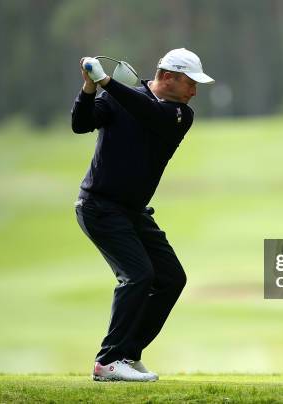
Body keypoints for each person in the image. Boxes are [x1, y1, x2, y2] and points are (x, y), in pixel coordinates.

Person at [71, 48, 214, 382]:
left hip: (133, 211)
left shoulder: (179, 114)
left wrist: (105, 82)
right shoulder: (122, 98)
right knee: (138, 276)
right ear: (166, 76)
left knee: (171, 279)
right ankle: (108, 361)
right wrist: (89, 88)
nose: (194, 91)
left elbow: (148, 112)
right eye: (189, 83)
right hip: (99, 206)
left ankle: (128, 355)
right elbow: (81, 124)